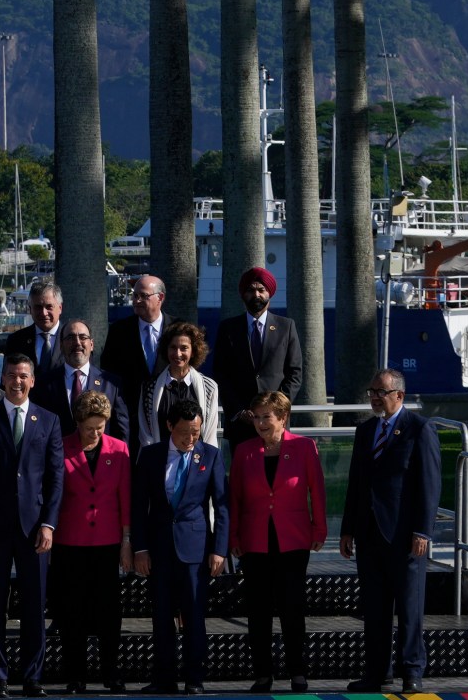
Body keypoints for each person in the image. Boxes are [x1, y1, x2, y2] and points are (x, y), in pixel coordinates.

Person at [0, 355, 64, 698]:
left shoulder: (49, 421)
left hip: (35, 527)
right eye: (12, 376)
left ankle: (32, 676)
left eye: (24, 376)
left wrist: (50, 524)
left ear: (33, 380)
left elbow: (55, 479)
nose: (17, 382)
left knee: (34, 604)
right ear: (2, 378)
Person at [340, 370, 441, 693]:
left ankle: (412, 670)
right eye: (371, 391)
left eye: (380, 392)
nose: (374, 397)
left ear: (398, 395)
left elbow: (429, 484)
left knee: (409, 608)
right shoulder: (365, 430)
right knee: (374, 609)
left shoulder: (419, 429)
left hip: (404, 536)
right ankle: (377, 672)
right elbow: (356, 484)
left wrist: (423, 531)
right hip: (369, 534)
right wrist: (347, 530)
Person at [130, 397, 229, 695]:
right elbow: (138, 506)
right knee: (161, 616)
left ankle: (194, 678)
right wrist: (140, 548)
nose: (190, 439)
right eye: (185, 432)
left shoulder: (210, 456)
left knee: (194, 615)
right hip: (159, 550)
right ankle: (164, 678)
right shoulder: (149, 456)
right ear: (170, 426)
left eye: (196, 432)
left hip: (195, 549)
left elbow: (221, 506)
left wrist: (220, 550)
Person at [228, 391, 324, 692]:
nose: (259, 423)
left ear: (283, 417)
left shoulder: (305, 447)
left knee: (292, 607)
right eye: (256, 417)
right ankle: (263, 674)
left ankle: (297, 671)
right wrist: (233, 535)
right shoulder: (244, 451)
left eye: (266, 417)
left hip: (292, 539)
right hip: (255, 539)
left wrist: (319, 529)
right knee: (258, 610)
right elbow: (235, 498)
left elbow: (317, 491)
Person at [50, 390, 131, 695]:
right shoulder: (60, 447)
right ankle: (76, 676)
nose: (95, 433)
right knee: (73, 612)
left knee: (109, 613)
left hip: (108, 542)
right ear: (78, 422)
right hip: (70, 542)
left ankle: (111, 673)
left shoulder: (119, 450)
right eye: (89, 427)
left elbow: (125, 497)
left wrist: (126, 540)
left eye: (100, 427)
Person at [210, 267, 303, 450]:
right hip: (241, 423)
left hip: (275, 423)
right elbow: (221, 374)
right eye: (251, 290)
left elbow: (294, 373)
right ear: (243, 294)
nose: (256, 294)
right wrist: (239, 411)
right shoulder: (228, 328)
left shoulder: (286, 327)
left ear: (270, 293)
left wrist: (275, 409)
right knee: (243, 476)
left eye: (261, 290)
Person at [97, 275, 182, 411]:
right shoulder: (119, 331)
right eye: (135, 295)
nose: (137, 300)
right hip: (130, 412)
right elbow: (109, 371)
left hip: (170, 411)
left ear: (160, 298)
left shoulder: (179, 328)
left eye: (143, 295)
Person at [135, 322, 220, 453]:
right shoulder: (149, 387)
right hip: (160, 461)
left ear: (193, 351)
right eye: (173, 347)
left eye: (184, 348)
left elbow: (209, 435)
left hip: (196, 463)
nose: (178, 353)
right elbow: (146, 433)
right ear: (166, 349)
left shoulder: (209, 387)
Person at [42, 320, 125, 438]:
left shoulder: (112, 384)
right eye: (70, 337)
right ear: (61, 345)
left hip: (101, 455)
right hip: (60, 453)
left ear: (91, 344)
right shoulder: (45, 383)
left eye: (83, 337)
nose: (77, 343)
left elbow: (121, 430)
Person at [0, 281, 65, 383]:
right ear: (30, 309)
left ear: (60, 308)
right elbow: (6, 382)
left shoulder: (72, 339)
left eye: (49, 307)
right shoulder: (16, 340)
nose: (44, 313)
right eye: (38, 307)